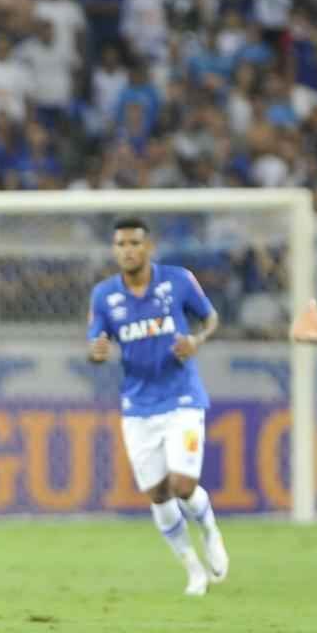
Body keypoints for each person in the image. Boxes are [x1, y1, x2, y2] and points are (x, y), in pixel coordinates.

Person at [87, 217, 228, 596]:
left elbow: (211, 317)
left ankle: (210, 532)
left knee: (183, 485)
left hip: (182, 396)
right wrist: (97, 351)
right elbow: (95, 344)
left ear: (149, 247)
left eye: (135, 243)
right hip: (138, 406)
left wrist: (197, 340)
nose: (128, 250)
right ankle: (193, 569)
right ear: (114, 250)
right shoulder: (104, 296)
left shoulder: (178, 280)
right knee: (158, 493)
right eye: (121, 244)